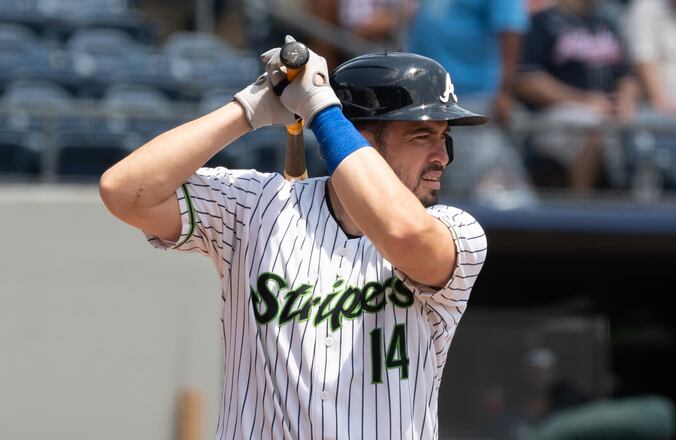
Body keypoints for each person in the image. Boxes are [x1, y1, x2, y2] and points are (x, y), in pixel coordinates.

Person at [99, 36, 487, 438]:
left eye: (444, 137)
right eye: (422, 136)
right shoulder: (253, 205)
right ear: (364, 139)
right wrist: (249, 107)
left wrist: (321, 111)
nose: (442, 156)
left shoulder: (458, 231)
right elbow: (124, 191)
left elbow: (402, 233)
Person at [407, 0, 535, 204]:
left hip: (473, 98)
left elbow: (511, 28)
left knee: (483, 192)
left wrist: (504, 92)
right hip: (425, 97)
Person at [515, 0, 638, 193]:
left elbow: (627, 76)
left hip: (606, 110)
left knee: (645, 130)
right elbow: (528, 81)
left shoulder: (605, 23)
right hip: (552, 116)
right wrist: (584, 102)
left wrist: (625, 100)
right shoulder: (541, 22)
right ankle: (581, 209)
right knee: (593, 127)